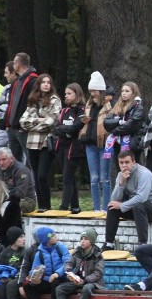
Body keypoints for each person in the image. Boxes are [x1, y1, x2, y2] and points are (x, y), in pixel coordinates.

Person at [104, 150, 152, 248]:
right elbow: (114, 199)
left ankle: (142, 244)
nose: (124, 165)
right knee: (112, 207)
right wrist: (121, 183)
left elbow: (142, 198)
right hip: (138, 208)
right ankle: (109, 244)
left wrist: (122, 205)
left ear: (134, 162)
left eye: (127, 162)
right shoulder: (121, 175)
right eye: (121, 163)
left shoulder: (143, 173)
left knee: (138, 206)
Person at [20, 74, 62, 211]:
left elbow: (52, 122)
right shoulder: (33, 101)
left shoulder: (55, 100)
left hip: (46, 141)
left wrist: (33, 125)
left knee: (42, 175)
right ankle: (42, 206)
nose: (46, 84)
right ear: (38, 84)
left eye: (48, 82)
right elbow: (23, 122)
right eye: (43, 82)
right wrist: (38, 120)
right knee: (36, 175)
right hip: (32, 142)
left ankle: (47, 206)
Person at [15, 226, 71, 299]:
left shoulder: (61, 248)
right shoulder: (39, 253)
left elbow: (67, 263)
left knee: (55, 282)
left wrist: (56, 274)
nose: (55, 236)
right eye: (52, 235)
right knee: (28, 285)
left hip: (61, 278)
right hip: (46, 280)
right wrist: (34, 277)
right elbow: (34, 268)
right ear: (47, 239)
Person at [53, 227, 105, 299]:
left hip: (93, 283)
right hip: (77, 280)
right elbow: (68, 263)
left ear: (92, 241)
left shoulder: (98, 255)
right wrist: (69, 272)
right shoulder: (77, 252)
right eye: (81, 239)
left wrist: (85, 280)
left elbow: (98, 273)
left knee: (86, 289)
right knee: (59, 289)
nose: (82, 241)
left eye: (86, 239)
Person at [79, 71, 113, 211]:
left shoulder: (109, 104)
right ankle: (96, 208)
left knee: (104, 178)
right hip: (90, 143)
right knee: (94, 178)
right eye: (91, 90)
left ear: (101, 90)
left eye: (95, 90)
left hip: (105, 143)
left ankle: (106, 208)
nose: (93, 93)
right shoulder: (88, 105)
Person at [55, 83, 86, 213]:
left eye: (69, 94)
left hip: (73, 148)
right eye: (65, 94)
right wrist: (64, 129)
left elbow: (76, 127)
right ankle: (75, 205)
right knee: (69, 177)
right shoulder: (64, 110)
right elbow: (57, 127)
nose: (66, 96)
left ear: (77, 94)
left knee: (68, 177)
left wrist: (65, 129)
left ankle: (64, 206)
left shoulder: (82, 110)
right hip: (61, 146)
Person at [4, 53, 40, 163]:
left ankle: (32, 180)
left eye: (14, 62)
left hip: (24, 128)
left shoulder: (33, 81)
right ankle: (17, 180)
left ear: (18, 64)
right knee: (14, 161)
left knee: (30, 159)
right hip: (12, 127)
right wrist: (6, 123)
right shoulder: (16, 81)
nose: (13, 65)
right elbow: (10, 104)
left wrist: (25, 123)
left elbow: (34, 104)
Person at [0, 147, 37, 215]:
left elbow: (20, 193)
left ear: (11, 158)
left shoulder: (21, 170)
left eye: (4, 159)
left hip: (26, 201)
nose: (1, 163)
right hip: (1, 198)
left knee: (7, 206)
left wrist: (0, 199)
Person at [0, 61, 17, 157]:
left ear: (13, 73)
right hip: (3, 127)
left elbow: (19, 109)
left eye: (6, 73)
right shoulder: (6, 88)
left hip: (17, 129)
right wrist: (7, 114)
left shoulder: (22, 89)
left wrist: (9, 111)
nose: (5, 75)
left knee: (15, 156)